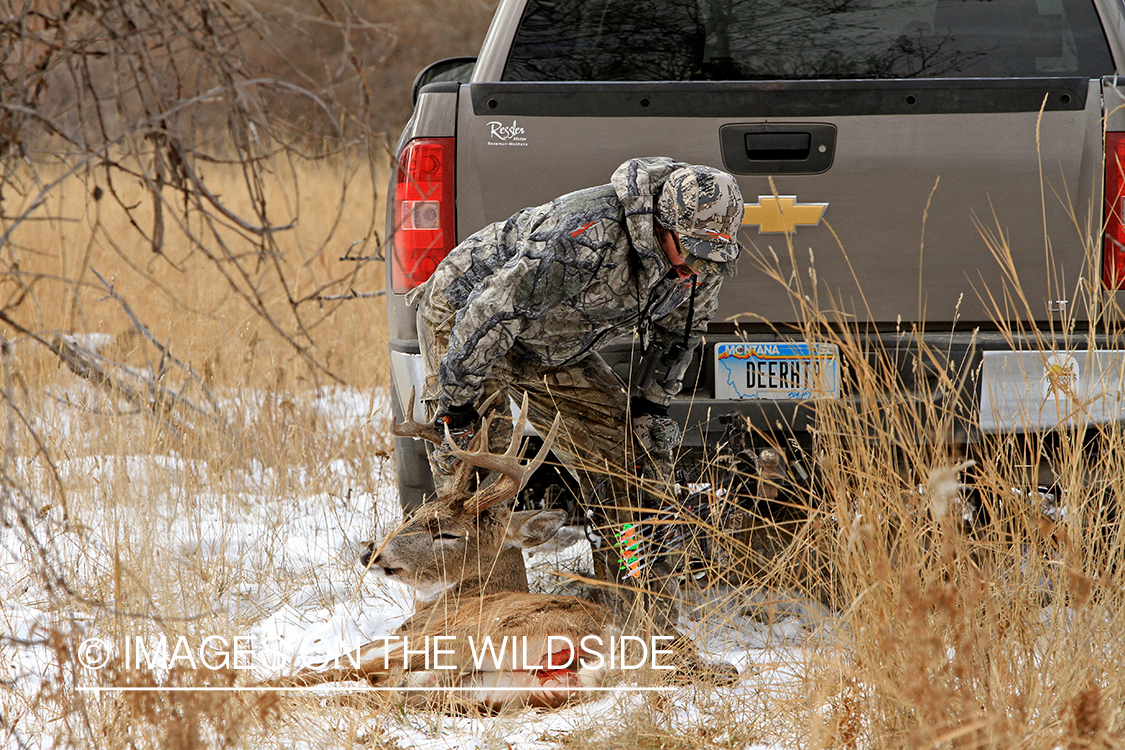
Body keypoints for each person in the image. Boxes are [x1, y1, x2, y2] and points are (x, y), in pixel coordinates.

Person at [411, 156, 743, 672]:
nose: (696, 266)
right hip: (468, 321)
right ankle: (479, 643)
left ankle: (643, 631)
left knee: (629, 469)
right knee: (477, 478)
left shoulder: (702, 263)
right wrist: (457, 404)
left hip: (554, 345)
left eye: (712, 252)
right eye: (691, 249)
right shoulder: (585, 236)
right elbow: (491, 310)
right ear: (662, 224)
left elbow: (679, 338)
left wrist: (650, 408)